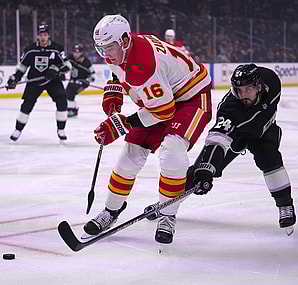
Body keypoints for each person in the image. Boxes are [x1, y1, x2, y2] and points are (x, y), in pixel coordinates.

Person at [83, 14, 212, 244]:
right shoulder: (123, 46)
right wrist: (113, 91)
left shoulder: (143, 65)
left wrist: (118, 125)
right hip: (162, 98)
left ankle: (167, 215)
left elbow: (163, 112)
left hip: (191, 98)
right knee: (129, 155)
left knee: (173, 151)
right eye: (100, 48)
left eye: (109, 48)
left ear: (123, 40)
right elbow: (118, 71)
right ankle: (111, 210)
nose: (106, 55)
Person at [190, 63, 296, 234]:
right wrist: (206, 168)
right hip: (236, 137)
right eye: (239, 90)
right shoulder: (229, 109)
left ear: (258, 85)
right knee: (199, 172)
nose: (243, 95)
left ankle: (285, 205)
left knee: (269, 159)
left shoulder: (272, 81)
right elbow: (217, 139)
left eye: (247, 89)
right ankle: (169, 201)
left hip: (263, 133)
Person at [6, 23, 72, 141]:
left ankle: (61, 129)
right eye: (41, 35)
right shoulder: (30, 49)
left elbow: (67, 66)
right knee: (27, 105)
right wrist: (15, 78)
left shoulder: (57, 49)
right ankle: (18, 130)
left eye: (45, 35)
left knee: (62, 101)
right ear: (37, 36)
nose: (43, 37)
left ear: (49, 35)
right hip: (34, 81)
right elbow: (22, 66)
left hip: (53, 81)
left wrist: (57, 70)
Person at [65, 43, 95, 117]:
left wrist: (87, 81)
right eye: (74, 52)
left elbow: (93, 76)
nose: (75, 54)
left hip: (82, 82)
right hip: (72, 81)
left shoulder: (86, 62)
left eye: (78, 52)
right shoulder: (70, 58)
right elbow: (63, 65)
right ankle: (73, 109)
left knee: (70, 93)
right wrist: (61, 74)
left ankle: (71, 110)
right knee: (67, 93)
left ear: (81, 53)